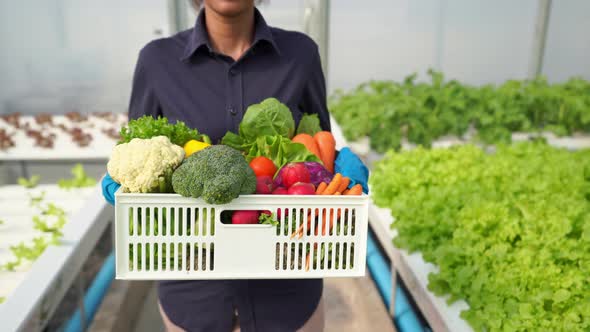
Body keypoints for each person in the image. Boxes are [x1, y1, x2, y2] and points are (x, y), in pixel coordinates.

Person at [102, 1, 368, 331]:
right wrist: (125, 177)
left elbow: (318, 139)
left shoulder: (301, 54)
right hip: (193, 291)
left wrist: (342, 170)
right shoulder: (157, 61)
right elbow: (137, 143)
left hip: (289, 289)